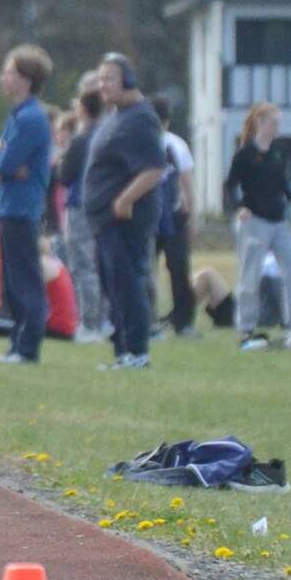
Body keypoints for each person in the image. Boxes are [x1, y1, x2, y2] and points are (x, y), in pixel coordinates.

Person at [82, 53, 167, 370]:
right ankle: (123, 351)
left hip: (123, 219)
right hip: (104, 220)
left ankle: (137, 351)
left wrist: (125, 199)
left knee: (127, 282)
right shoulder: (115, 115)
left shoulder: (140, 118)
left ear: (129, 80)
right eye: (100, 78)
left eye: (109, 78)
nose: (102, 85)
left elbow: (154, 169)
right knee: (113, 285)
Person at [0, 46, 52, 365]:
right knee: (12, 280)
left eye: (9, 72)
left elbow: (6, 161)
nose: (3, 78)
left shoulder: (31, 119)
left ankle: (28, 347)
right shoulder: (17, 116)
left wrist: (3, 159)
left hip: (22, 207)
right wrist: (2, 159)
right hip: (9, 205)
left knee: (25, 278)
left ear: (26, 79)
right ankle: (16, 343)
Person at [223, 101, 291, 350]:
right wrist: (239, 207)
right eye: (273, 122)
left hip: (278, 221)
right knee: (250, 275)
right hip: (254, 222)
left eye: (279, 123)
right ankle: (246, 326)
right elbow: (229, 185)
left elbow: (282, 182)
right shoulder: (245, 154)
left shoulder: (278, 151)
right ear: (260, 123)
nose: (277, 127)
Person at [58, 79, 108, 344]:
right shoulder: (107, 134)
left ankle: (89, 323)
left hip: (80, 206)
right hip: (102, 206)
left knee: (82, 265)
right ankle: (103, 318)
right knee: (99, 264)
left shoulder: (81, 140)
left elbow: (65, 176)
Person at [150, 95, 196, 338]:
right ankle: (149, 319)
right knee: (147, 270)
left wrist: (191, 215)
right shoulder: (143, 142)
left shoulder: (175, 145)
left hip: (174, 215)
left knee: (178, 268)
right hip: (148, 216)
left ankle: (183, 320)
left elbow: (186, 182)